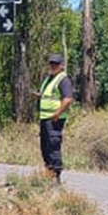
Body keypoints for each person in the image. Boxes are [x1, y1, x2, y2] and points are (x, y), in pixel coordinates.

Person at [35, 52, 74, 182]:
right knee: (45, 147)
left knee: (53, 146)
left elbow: (67, 99)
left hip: (55, 119)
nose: (52, 66)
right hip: (45, 118)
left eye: (55, 64)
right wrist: (39, 96)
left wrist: (57, 113)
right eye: (51, 63)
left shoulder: (63, 79)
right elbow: (49, 96)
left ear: (62, 66)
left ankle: (56, 177)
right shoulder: (49, 78)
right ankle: (48, 174)